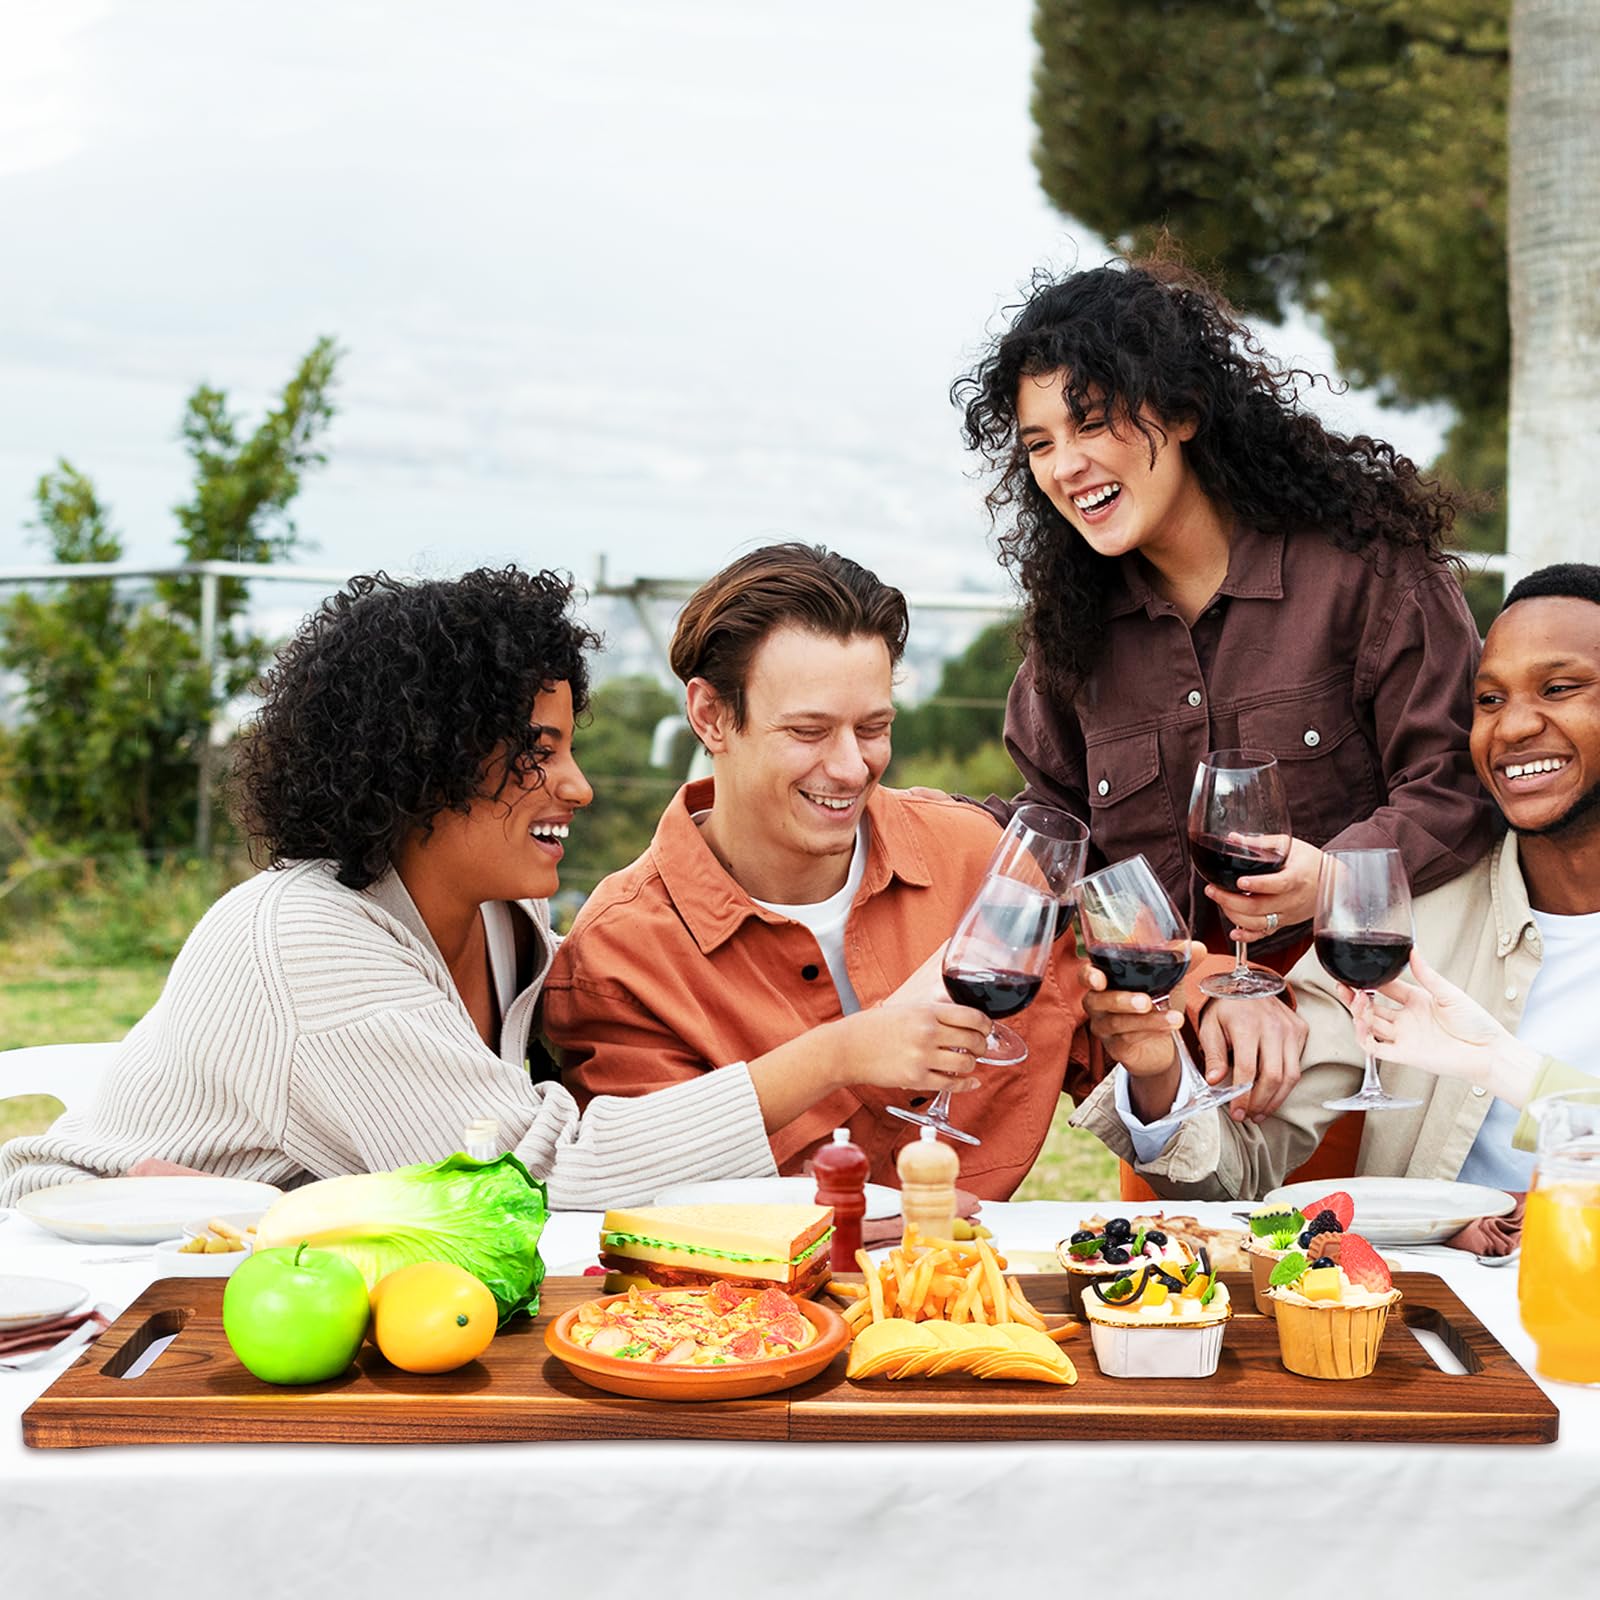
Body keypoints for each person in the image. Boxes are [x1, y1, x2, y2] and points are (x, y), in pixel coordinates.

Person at [0, 567, 963, 1210]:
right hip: (107, 1247)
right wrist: (841, 1050)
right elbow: (539, 1169)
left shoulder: (507, 916)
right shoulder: (306, 938)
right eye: (539, 755)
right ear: (423, 766)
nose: (580, 787)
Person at [955, 254, 1498, 1175]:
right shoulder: (1069, 643)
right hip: (1173, 1086)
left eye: (1092, 422)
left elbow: (1456, 782)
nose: (1065, 464)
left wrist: (1332, 879)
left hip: (1359, 1071)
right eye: (1039, 442)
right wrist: (1199, 985)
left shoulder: (1368, 576)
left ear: (1185, 410)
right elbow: (1059, 848)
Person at [544, 543, 1138, 1199]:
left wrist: (1177, 1037)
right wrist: (845, 1055)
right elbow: (642, 1205)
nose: (852, 768)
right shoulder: (620, 952)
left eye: (874, 727)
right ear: (710, 717)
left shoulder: (978, 860)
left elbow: (1135, 1073)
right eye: (808, 732)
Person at [1069, 563, 1600, 1200]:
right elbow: (1241, 1169)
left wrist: (1500, 1065)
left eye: (1560, 688)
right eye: (1489, 699)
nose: (1513, 727)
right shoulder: (1396, 922)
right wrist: (1157, 1076)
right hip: (1436, 1300)